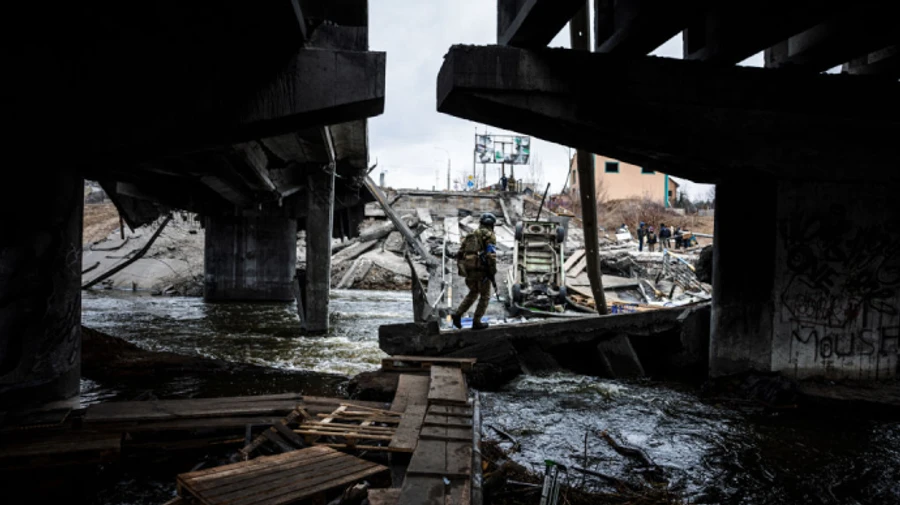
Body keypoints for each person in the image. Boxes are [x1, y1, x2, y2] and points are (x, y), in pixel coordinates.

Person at [452, 213, 498, 330]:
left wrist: (464, 269)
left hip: (470, 270)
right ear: (492, 225)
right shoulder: (489, 235)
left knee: (473, 293)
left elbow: (460, 253)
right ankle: (476, 321)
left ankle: (457, 314)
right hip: (482, 270)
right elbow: (491, 255)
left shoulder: (471, 235)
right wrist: (492, 271)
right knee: (485, 296)